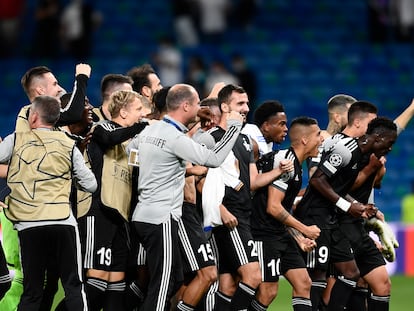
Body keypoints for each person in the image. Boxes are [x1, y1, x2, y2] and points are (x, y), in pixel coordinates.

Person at [126, 83, 244, 310]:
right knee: (163, 285)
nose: (201, 106)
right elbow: (214, 159)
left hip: (143, 213)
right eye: (197, 102)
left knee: (175, 279)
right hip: (162, 217)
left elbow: (131, 154)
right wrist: (233, 128)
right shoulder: (175, 139)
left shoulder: (150, 130)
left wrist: (156, 169)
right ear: (185, 105)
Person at [0, 95, 97, 310]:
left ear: (33, 117)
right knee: (73, 286)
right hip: (62, 222)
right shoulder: (68, 143)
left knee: (32, 291)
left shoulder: (16, 139)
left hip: (29, 225)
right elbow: (90, 185)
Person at [295, 114, 398, 311]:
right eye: (389, 142)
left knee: (351, 273)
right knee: (317, 279)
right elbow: (317, 180)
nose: (391, 147)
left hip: (331, 218)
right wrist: (348, 206)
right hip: (314, 216)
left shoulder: (363, 157)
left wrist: (359, 206)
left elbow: (339, 189)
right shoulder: (346, 150)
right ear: (377, 137)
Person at [205, 85, 293, 310]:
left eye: (246, 103)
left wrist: (278, 171)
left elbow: (253, 181)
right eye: (239, 104)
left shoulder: (244, 140)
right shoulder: (212, 138)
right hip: (229, 216)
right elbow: (199, 178)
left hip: (243, 215)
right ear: (224, 107)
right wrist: (219, 208)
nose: (246, 108)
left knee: (228, 285)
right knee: (253, 277)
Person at [79, 90, 147, 310]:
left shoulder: (133, 143)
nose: (141, 115)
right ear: (124, 112)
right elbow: (110, 139)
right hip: (99, 210)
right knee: (96, 281)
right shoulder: (102, 127)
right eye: (138, 110)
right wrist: (142, 127)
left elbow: (135, 173)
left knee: (116, 283)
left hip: (120, 214)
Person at [251, 116, 323, 311]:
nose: (321, 139)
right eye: (318, 135)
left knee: (303, 283)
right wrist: (305, 229)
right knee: (268, 291)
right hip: (263, 234)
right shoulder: (286, 162)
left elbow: (282, 208)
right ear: (305, 140)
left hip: (279, 233)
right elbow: (273, 207)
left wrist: (298, 237)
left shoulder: (297, 167)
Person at [17, 63, 92, 132]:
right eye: (54, 84)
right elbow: (73, 115)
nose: (60, 89)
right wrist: (82, 77)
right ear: (41, 90)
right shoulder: (32, 112)